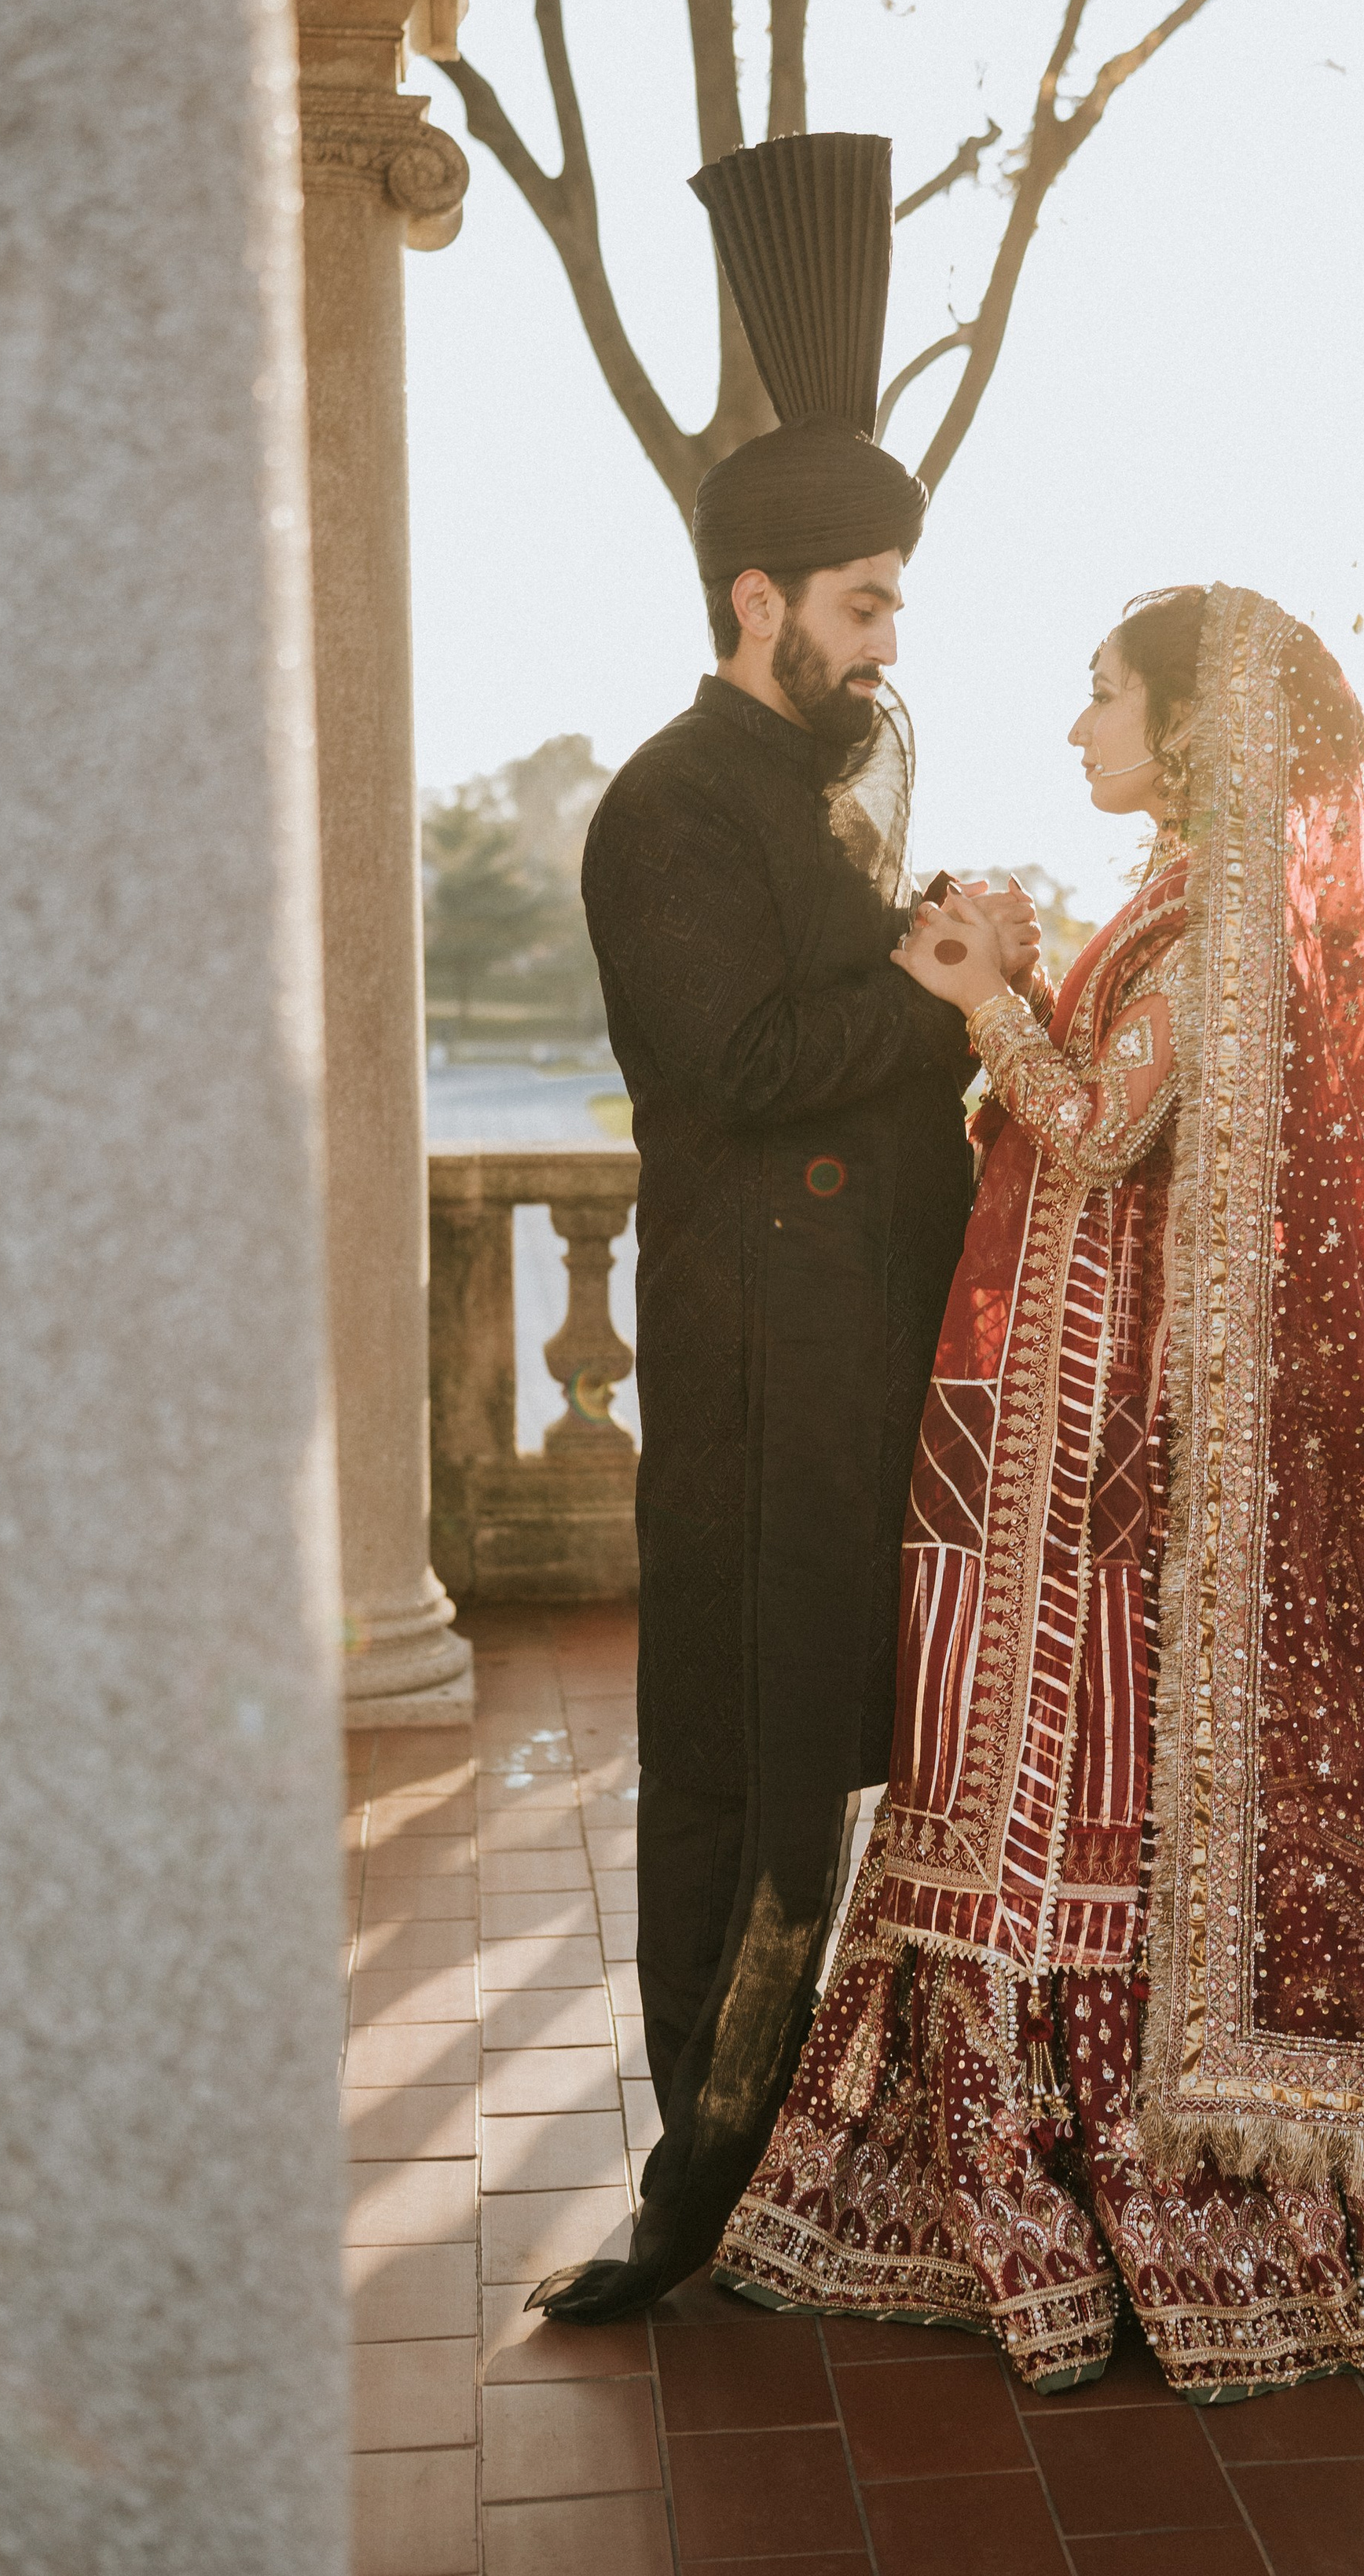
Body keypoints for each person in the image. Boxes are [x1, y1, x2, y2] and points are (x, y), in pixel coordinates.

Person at [713, 579, 1364, 2399]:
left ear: (1195, 728)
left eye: (1103, 697)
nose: (1077, 729)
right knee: (989, 1742)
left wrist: (979, 1000)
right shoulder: (1178, 908)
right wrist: (1028, 978)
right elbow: (1130, 1116)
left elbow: (1107, 1125)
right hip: (1039, 1409)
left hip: (1099, 1442)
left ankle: (1099, 2162)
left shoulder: (1212, 923)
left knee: (1058, 1760)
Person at [532, 134, 1039, 2323]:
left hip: (885, 1358)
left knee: (884, 1756)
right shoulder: (661, 804)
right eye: (863, 604)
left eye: (895, 601)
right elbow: (726, 1069)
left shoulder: (830, 783)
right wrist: (915, 990)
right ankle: (701, 2179)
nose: (889, 641)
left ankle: (859, 2152)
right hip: (760, 1374)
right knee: (744, 1773)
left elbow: (841, 1013)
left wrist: (928, 946)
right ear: (758, 602)